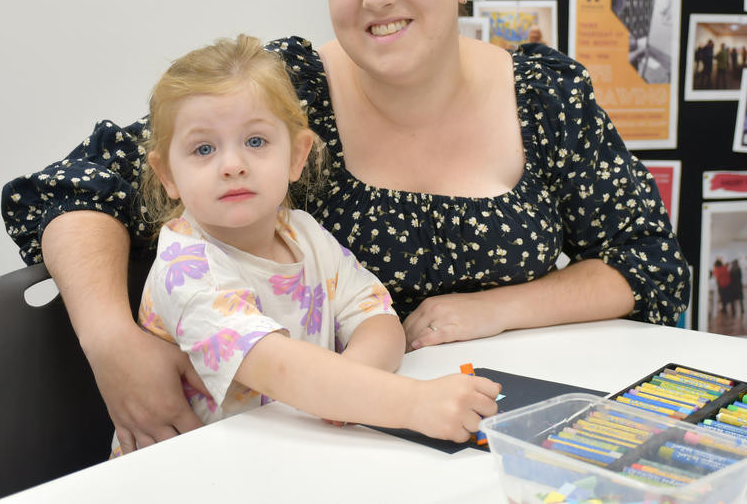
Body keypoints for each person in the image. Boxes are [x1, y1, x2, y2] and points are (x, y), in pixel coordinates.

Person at [0, 0, 689, 453]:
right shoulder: (284, 95)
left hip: (486, 424)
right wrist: (110, 340)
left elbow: (650, 266)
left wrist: (498, 305)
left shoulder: (544, 97)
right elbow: (76, 185)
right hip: (315, 441)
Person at [103, 34, 500, 456]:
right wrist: (414, 403)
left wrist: (351, 382)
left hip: (291, 456)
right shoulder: (186, 269)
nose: (233, 165)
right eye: (204, 149)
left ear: (297, 155)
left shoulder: (303, 232)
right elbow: (279, 368)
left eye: (255, 141)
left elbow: (377, 316)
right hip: (188, 476)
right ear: (167, 174)